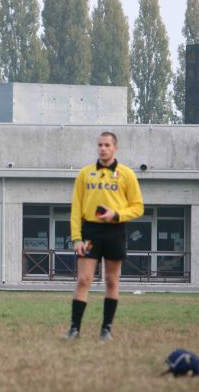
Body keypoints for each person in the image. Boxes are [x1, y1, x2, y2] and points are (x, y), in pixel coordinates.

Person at [66, 131, 143, 341]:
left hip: (115, 232)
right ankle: (74, 329)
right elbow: (76, 209)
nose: (103, 148)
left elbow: (138, 207)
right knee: (83, 279)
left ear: (115, 148)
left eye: (107, 145)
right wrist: (76, 238)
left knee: (111, 280)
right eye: (100, 145)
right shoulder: (84, 174)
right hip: (90, 231)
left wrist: (116, 215)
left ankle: (106, 329)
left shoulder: (127, 174)